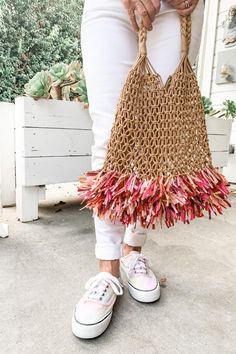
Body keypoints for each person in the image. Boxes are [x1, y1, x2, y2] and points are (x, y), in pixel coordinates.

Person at [72, 0, 204, 339]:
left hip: (177, 8)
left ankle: (133, 251)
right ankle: (108, 268)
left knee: (155, 139)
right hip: (108, 6)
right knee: (110, 134)